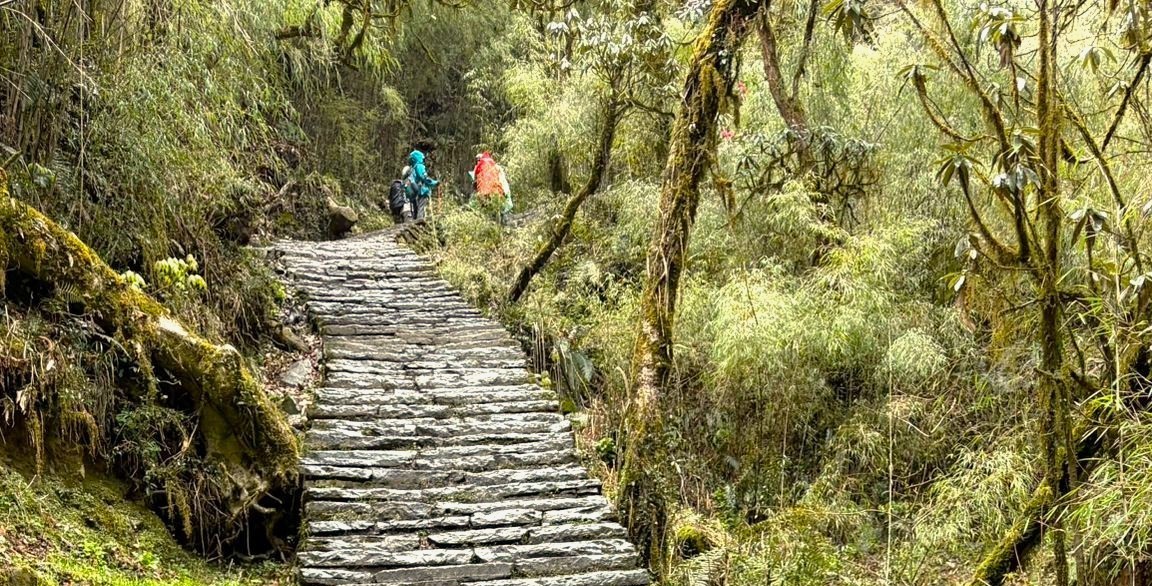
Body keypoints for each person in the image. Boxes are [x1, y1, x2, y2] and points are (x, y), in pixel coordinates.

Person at [469, 152, 512, 225]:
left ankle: (486, 224)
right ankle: (500, 223)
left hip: (484, 191)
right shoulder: (495, 166)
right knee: (498, 207)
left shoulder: (478, 167)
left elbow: (475, 181)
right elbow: (502, 179)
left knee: (484, 207)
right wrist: (505, 191)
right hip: (497, 190)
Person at [404, 149, 439, 223]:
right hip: (422, 191)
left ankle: (415, 221)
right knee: (421, 207)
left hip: (416, 190)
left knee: (417, 207)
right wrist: (435, 183)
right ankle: (419, 223)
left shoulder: (412, 168)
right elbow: (423, 177)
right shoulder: (420, 166)